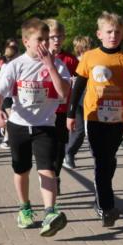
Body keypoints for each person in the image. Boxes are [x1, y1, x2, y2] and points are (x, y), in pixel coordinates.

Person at [0, 18, 72, 236]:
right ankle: (24, 208)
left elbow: (64, 93)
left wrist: (50, 66)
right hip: (18, 125)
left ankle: (50, 213)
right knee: (22, 169)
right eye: (40, 40)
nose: (45, 44)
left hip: (45, 126)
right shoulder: (15, 65)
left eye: (47, 39)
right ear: (26, 42)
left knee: (48, 169)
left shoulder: (58, 64)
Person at [67, 12, 123, 226]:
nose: (113, 35)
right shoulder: (89, 57)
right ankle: (106, 206)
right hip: (93, 116)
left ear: (122, 35)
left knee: (109, 160)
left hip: (117, 118)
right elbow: (78, 88)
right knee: (101, 160)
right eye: (109, 32)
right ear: (100, 34)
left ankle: (101, 198)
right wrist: (70, 113)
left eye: (117, 32)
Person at [45, 19, 78, 193]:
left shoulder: (70, 60)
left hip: (62, 110)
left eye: (59, 36)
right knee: (45, 147)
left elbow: (78, 86)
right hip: (42, 112)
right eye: (52, 37)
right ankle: (48, 175)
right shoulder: (38, 58)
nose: (56, 40)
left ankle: (55, 176)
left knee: (59, 148)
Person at [63, 35, 92, 171]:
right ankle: (69, 152)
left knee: (92, 131)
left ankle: (97, 156)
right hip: (77, 101)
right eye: (88, 46)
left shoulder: (94, 61)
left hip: (92, 101)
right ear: (81, 48)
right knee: (79, 131)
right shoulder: (74, 62)